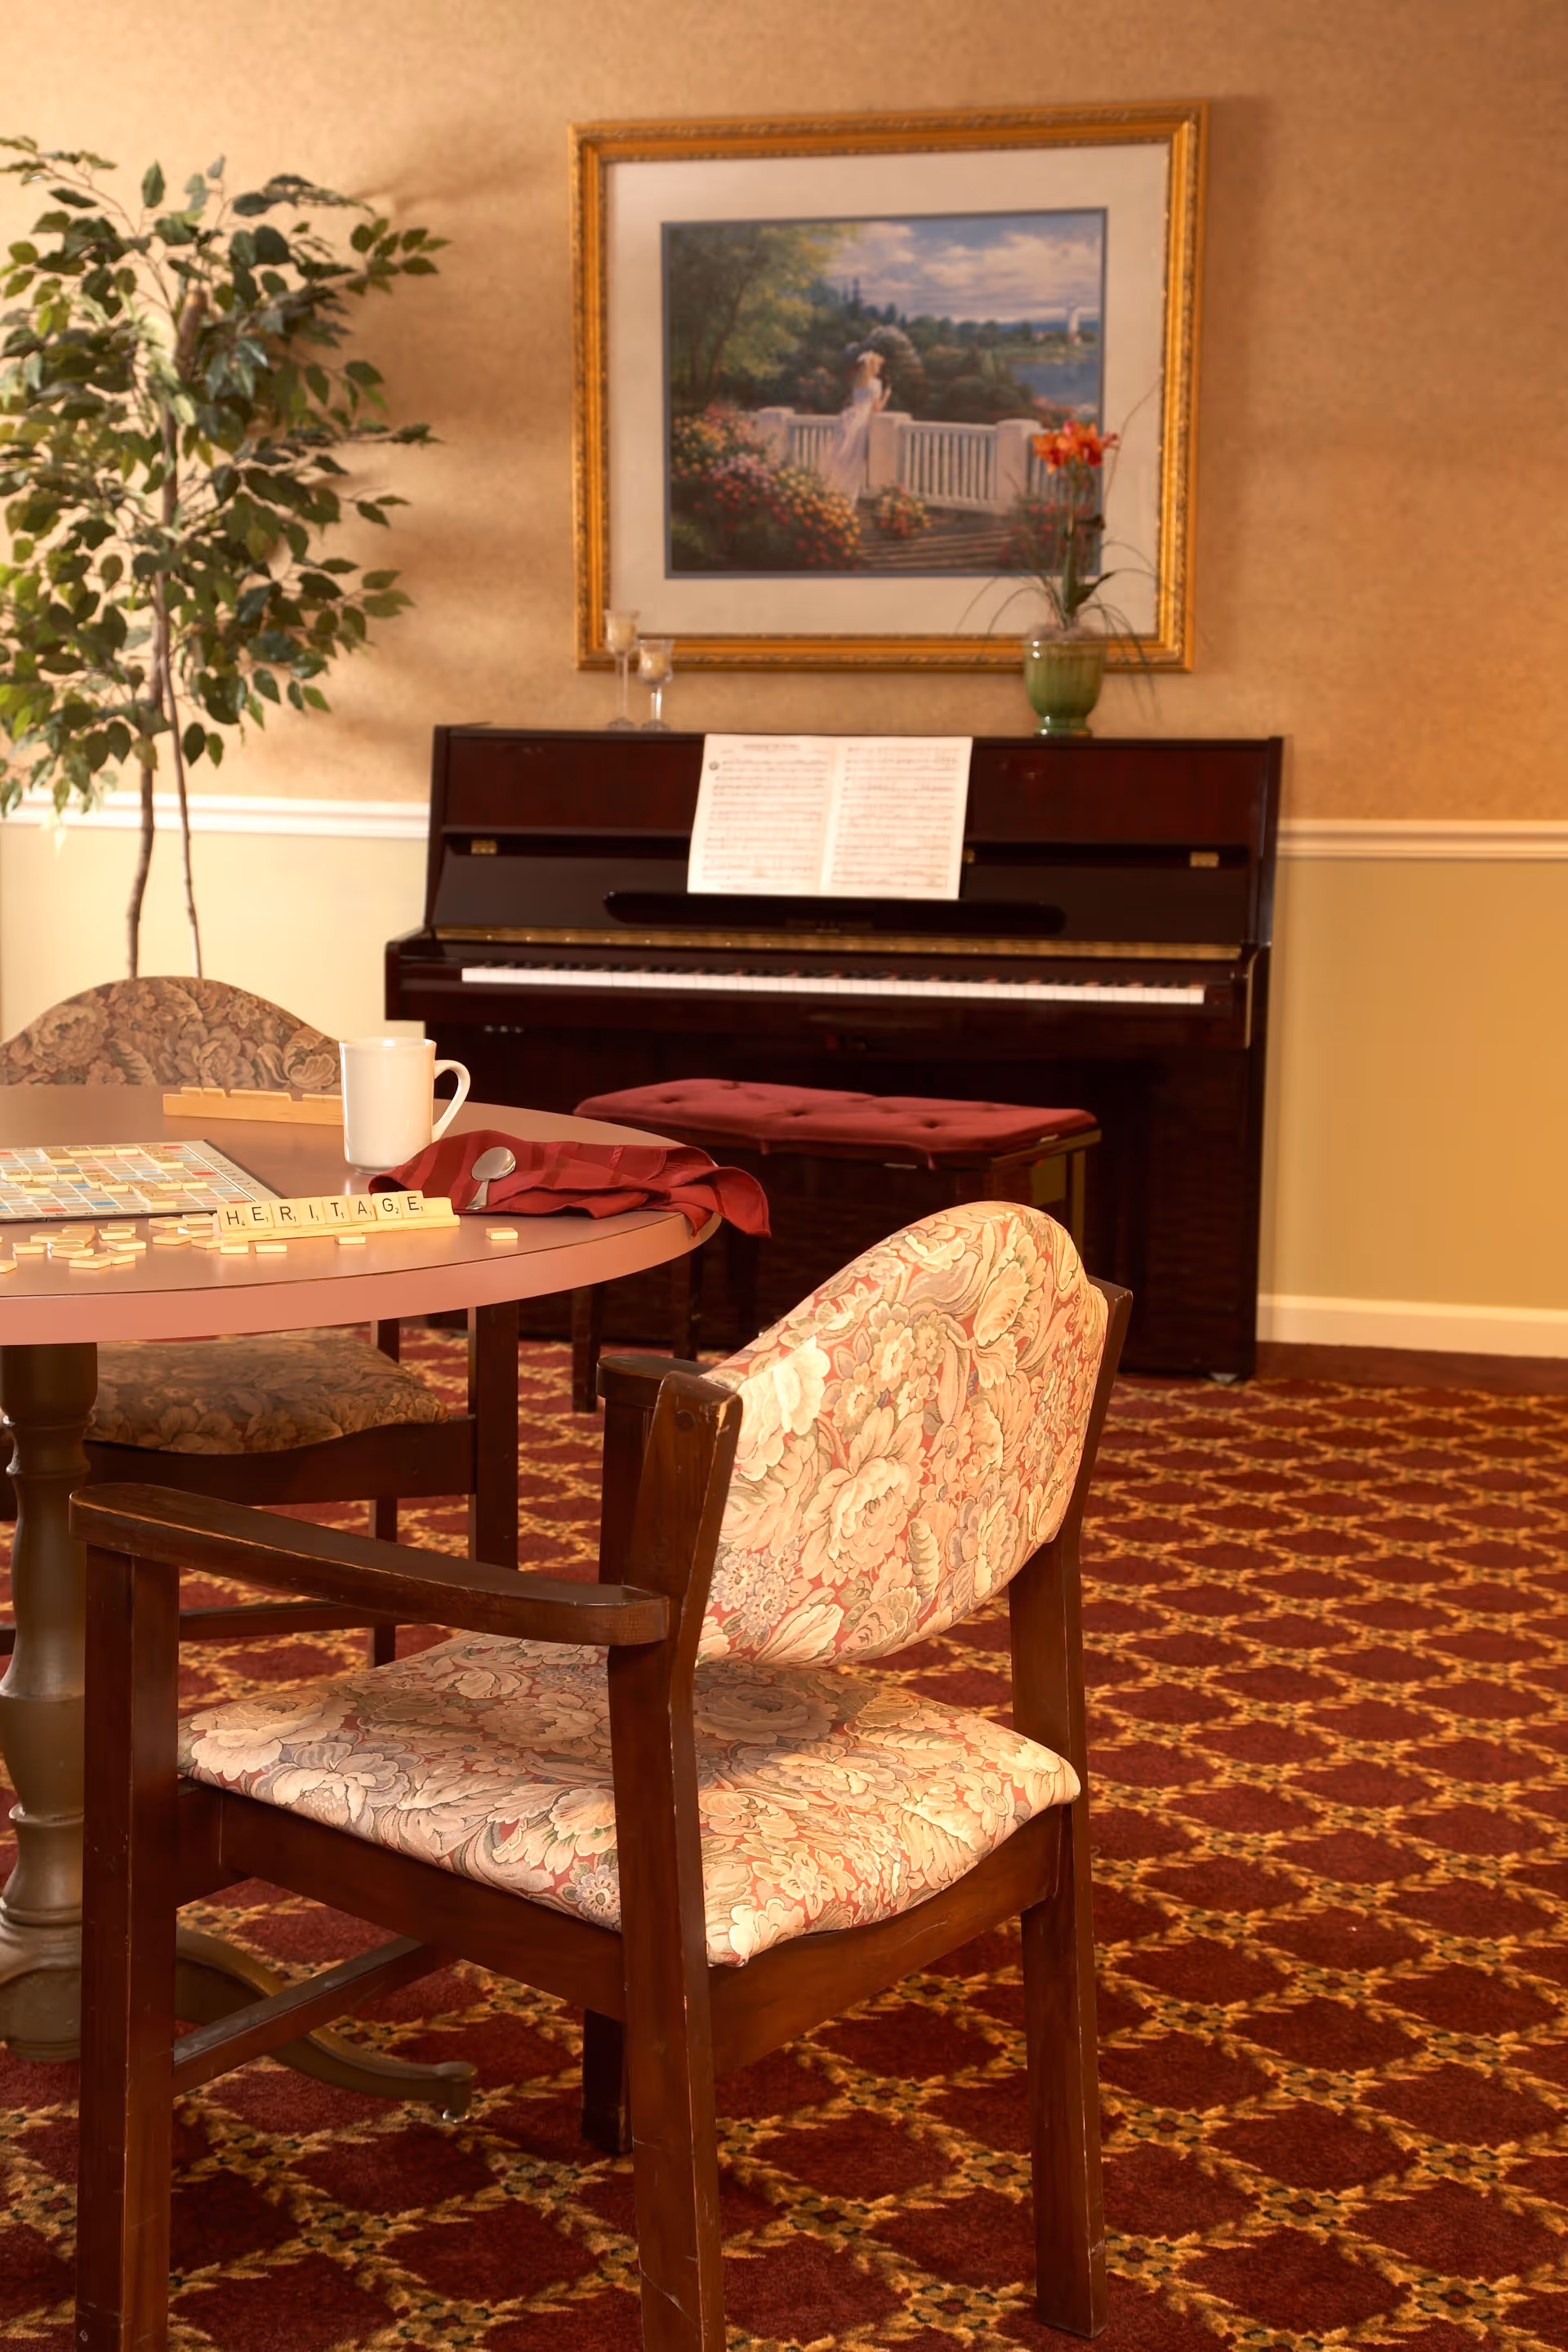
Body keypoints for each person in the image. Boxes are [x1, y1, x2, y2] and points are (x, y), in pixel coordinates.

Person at [820, 349, 889, 498]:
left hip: (850, 417)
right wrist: (886, 396)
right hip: (860, 421)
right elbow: (877, 409)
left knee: (842, 456)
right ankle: (848, 497)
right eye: (877, 366)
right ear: (872, 367)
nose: (879, 369)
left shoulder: (858, 382)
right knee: (854, 460)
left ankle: (836, 491)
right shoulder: (875, 384)